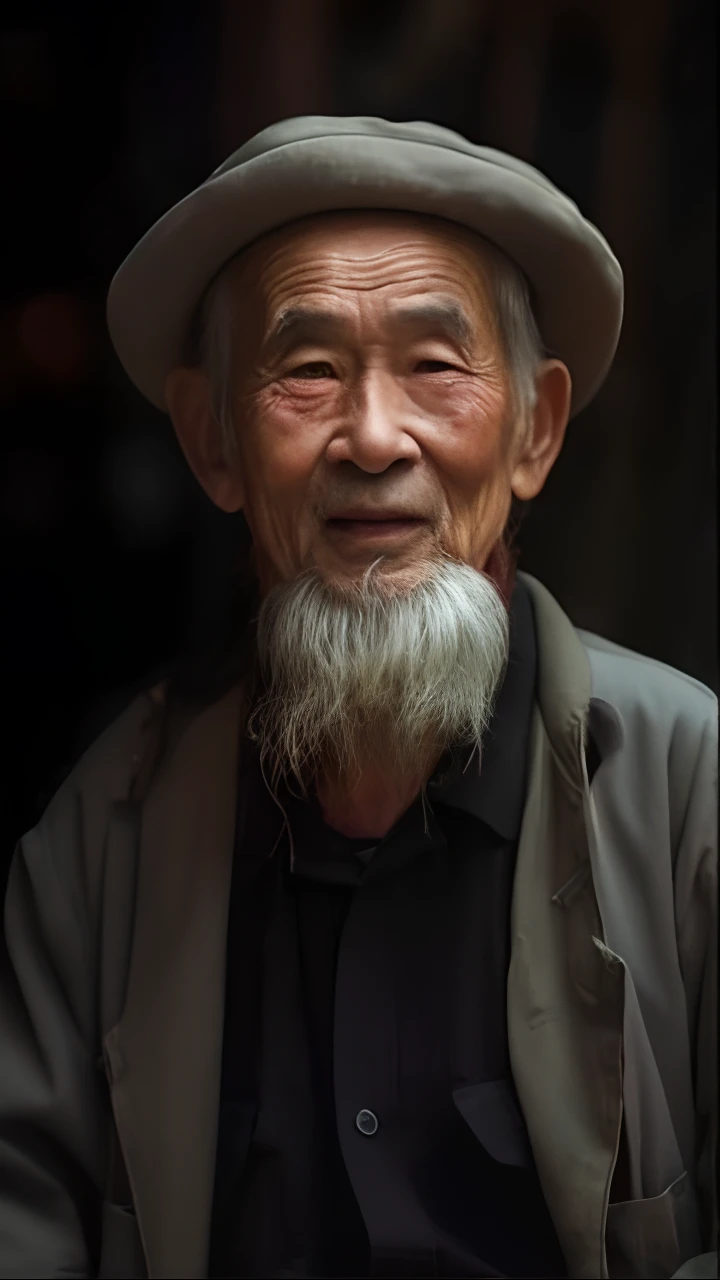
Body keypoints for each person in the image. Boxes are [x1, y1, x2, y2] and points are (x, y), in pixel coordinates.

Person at [0, 116, 716, 1280]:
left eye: (437, 365)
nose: (375, 436)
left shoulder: (695, 796)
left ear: (535, 427)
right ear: (213, 442)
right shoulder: (97, 854)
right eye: (309, 369)